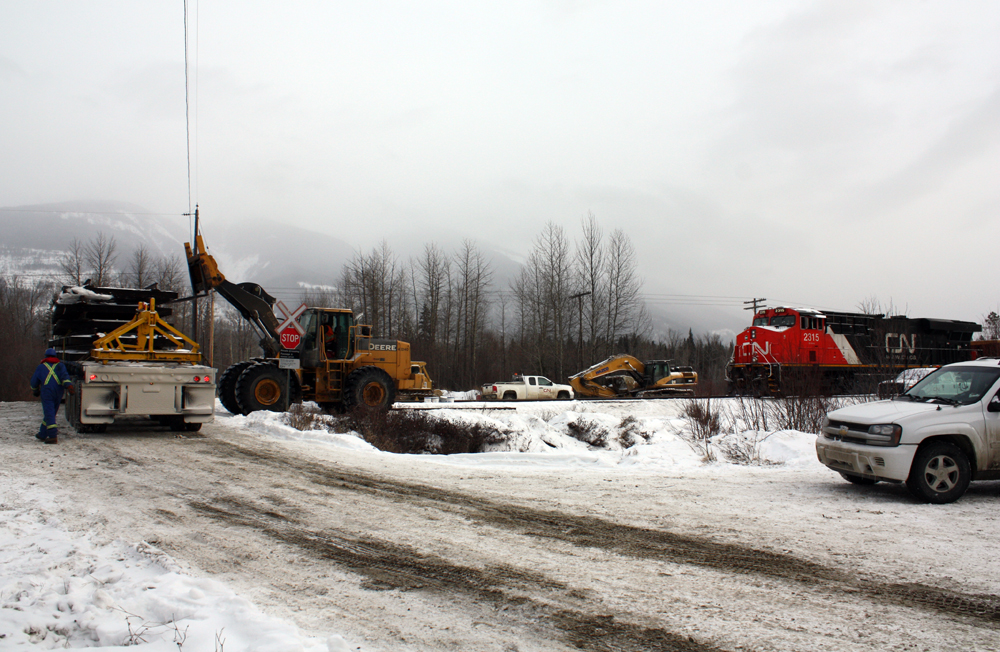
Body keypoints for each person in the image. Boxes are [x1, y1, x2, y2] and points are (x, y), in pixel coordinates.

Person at [29, 348, 74, 444]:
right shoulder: (60, 366)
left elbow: (34, 382)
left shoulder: (41, 367)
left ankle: (53, 436)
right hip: (59, 392)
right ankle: (42, 433)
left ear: (45, 356)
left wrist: (35, 391)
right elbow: (65, 377)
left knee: (49, 412)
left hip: (47, 392)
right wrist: (69, 386)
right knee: (51, 413)